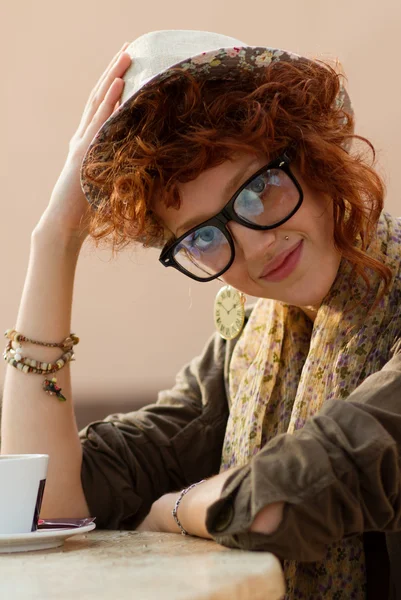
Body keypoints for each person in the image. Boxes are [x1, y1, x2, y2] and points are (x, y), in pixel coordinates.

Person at [1, 29, 401, 600]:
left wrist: (173, 510)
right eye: (206, 237)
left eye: (259, 189)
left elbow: (291, 495)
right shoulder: (248, 347)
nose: (257, 246)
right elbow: (43, 499)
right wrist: (56, 239)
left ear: (312, 156)